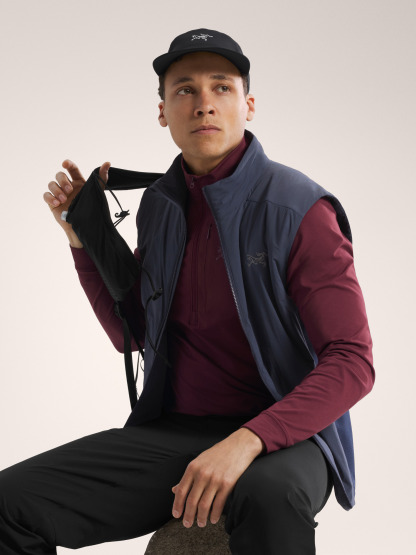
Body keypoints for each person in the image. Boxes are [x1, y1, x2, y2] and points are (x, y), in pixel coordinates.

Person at [0, 28, 375, 554]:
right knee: (9, 503)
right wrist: (83, 242)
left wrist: (248, 441)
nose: (204, 104)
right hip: (177, 433)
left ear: (248, 105)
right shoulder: (161, 205)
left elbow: (353, 361)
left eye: (221, 87)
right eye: (185, 90)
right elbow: (133, 335)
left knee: (269, 496)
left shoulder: (299, 209)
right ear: (162, 112)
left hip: (289, 434)